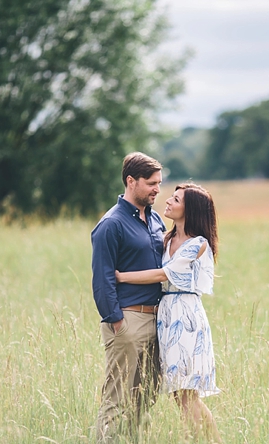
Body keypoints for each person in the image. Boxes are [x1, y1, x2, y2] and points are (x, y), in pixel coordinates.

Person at [116, 183, 222, 442]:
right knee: (179, 392)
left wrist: (120, 277)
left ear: (190, 209)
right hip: (167, 315)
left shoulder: (197, 244)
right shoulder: (167, 238)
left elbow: (165, 274)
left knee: (186, 393)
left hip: (185, 316)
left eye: (176, 199)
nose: (168, 201)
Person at [91, 152, 165, 443]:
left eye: (159, 182)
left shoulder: (156, 218)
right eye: (151, 183)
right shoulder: (111, 224)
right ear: (131, 181)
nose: (157, 189)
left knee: (145, 398)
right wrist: (117, 322)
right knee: (116, 400)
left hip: (158, 321)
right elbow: (102, 278)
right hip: (128, 320)